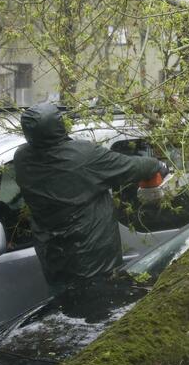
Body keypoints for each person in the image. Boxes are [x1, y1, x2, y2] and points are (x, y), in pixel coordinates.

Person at [14, 103, 168, 292]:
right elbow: (131, 167)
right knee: (100, 306)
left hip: (53, 260)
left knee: (65, 306)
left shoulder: (21, 158)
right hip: (93, 262)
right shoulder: (82, 156)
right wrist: (157, 165)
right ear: (59, 125)